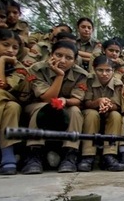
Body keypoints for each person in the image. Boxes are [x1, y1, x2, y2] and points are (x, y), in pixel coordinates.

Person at [22, 41, 88, 174]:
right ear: (50, 55)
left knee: (75, 111)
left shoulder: (81, 74)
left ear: (74, 61)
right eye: (58, 55)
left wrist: (65, 100)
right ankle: (34, 153)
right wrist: (60, 75)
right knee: (43, 106)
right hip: (36, 104)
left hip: (65, 105)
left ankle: (70, 154)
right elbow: (46, 98)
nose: (62, 60)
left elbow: (77, 99)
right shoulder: (37, 68)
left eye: (69, 58)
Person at [0, 28, 31, 175]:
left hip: (8, 96)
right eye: (5, 45)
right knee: (11, 107)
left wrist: (2, 61)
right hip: (6, 105)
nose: (10, 50)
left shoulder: (19, 68)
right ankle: (8, 157)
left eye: (15, 47)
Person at [79, 55, 124, 172]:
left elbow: (118, 105)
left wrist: (109, 105)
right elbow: (86, 103)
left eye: (108, 70)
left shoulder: (117, 83)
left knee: (116, 115)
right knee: (91, 114)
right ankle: (87, 156)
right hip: (92, 111)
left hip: (108, 112)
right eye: (100, 70)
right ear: (94, 69)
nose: (104, 74)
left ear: (113, 71)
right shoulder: (89, 80)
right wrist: (99, 101)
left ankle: (109, 155)